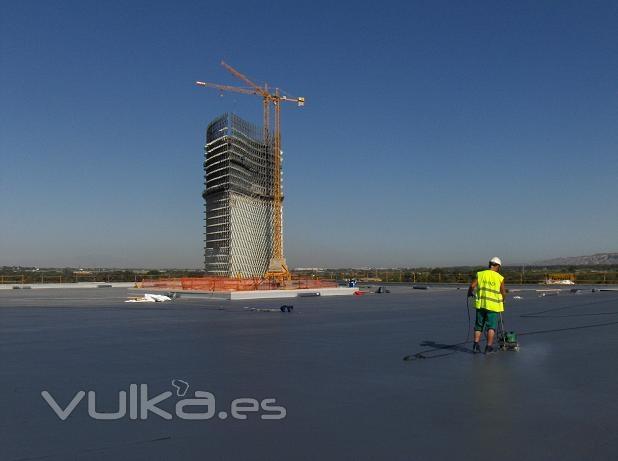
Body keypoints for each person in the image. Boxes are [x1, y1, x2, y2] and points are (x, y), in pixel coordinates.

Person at [467, 257, 506, 354]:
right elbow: (503, 293)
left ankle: (475, 345)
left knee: (478, 326)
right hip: (493, 307)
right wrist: (503, 300)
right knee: (491, 327)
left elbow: (472, 286)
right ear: (497, 266)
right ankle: (488, 347)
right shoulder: (499, 277)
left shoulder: (481, 274)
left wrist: (469, 293)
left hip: (481, 305)